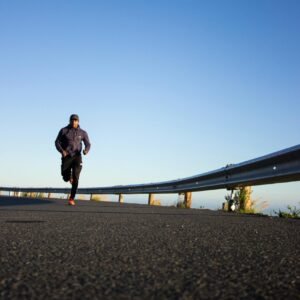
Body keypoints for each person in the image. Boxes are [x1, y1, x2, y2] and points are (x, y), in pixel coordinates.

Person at [55, 114, 91, 205]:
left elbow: (88, 144)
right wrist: (62, 151)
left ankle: (71, 198)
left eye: (76, 120)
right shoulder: (64, 130)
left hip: (77, 156)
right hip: (66, 156)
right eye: (72, 120)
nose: (74, 122)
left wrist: (86, 150)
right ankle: (68, 177)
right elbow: (57, 142)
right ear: (69, 121)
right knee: (65, 176)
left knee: (76, 177)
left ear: (78, 121)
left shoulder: (82, 132)